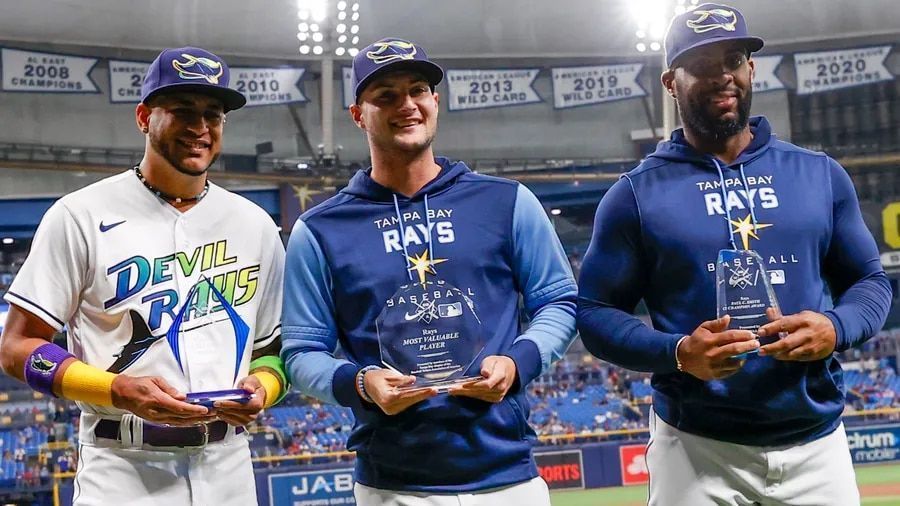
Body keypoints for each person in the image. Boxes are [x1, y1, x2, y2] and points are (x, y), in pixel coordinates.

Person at [576, 4, 892, 505]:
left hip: (816, 441)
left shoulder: (818, 174)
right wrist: (677, 352)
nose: (723, 75)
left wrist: (837, 327)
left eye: (735, 58)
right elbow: (594, 314)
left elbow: (870, 282)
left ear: (751, 68)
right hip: (696, 448)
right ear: (670, 82)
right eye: (702, 64)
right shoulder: (635, 195)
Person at [281, 37, 577, 505]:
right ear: (358, 115)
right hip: (393, 484)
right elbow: (300, 353)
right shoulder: (320, 230)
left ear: (435, 101)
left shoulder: (506, 201)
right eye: (386, 96)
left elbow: (558, 302)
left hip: (509, 478)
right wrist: (360, 383)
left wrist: (517, 362)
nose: (407, 105)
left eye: (418, 89)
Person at [0, 46, 288, 505]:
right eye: (181, 111)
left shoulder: (254, 225)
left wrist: (265, 389)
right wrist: (115, 390)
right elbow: (17, 350)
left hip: (229, 467)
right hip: (122, 468)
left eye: (212, 114)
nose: (199, 127)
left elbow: (272, 351)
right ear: (143, 117)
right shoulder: (79, 215)